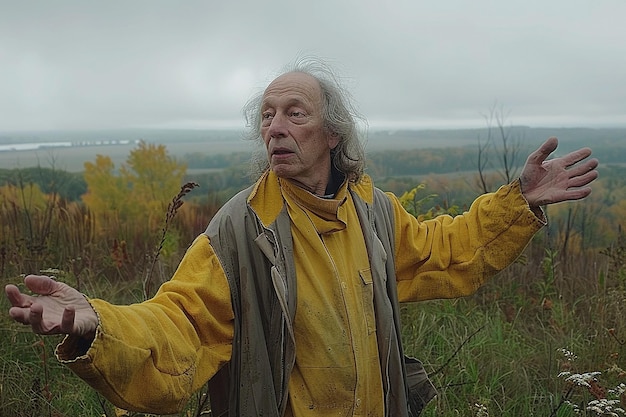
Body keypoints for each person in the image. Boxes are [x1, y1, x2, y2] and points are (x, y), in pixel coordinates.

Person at [5, 57, 599, 417]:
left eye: (295, 112)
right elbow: (180, 324)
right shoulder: (239, 231)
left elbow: (449, 252)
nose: (275, 127)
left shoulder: (372, 211)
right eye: (267, 115)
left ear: (333, 133)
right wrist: (98, 325)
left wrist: (517, 203)